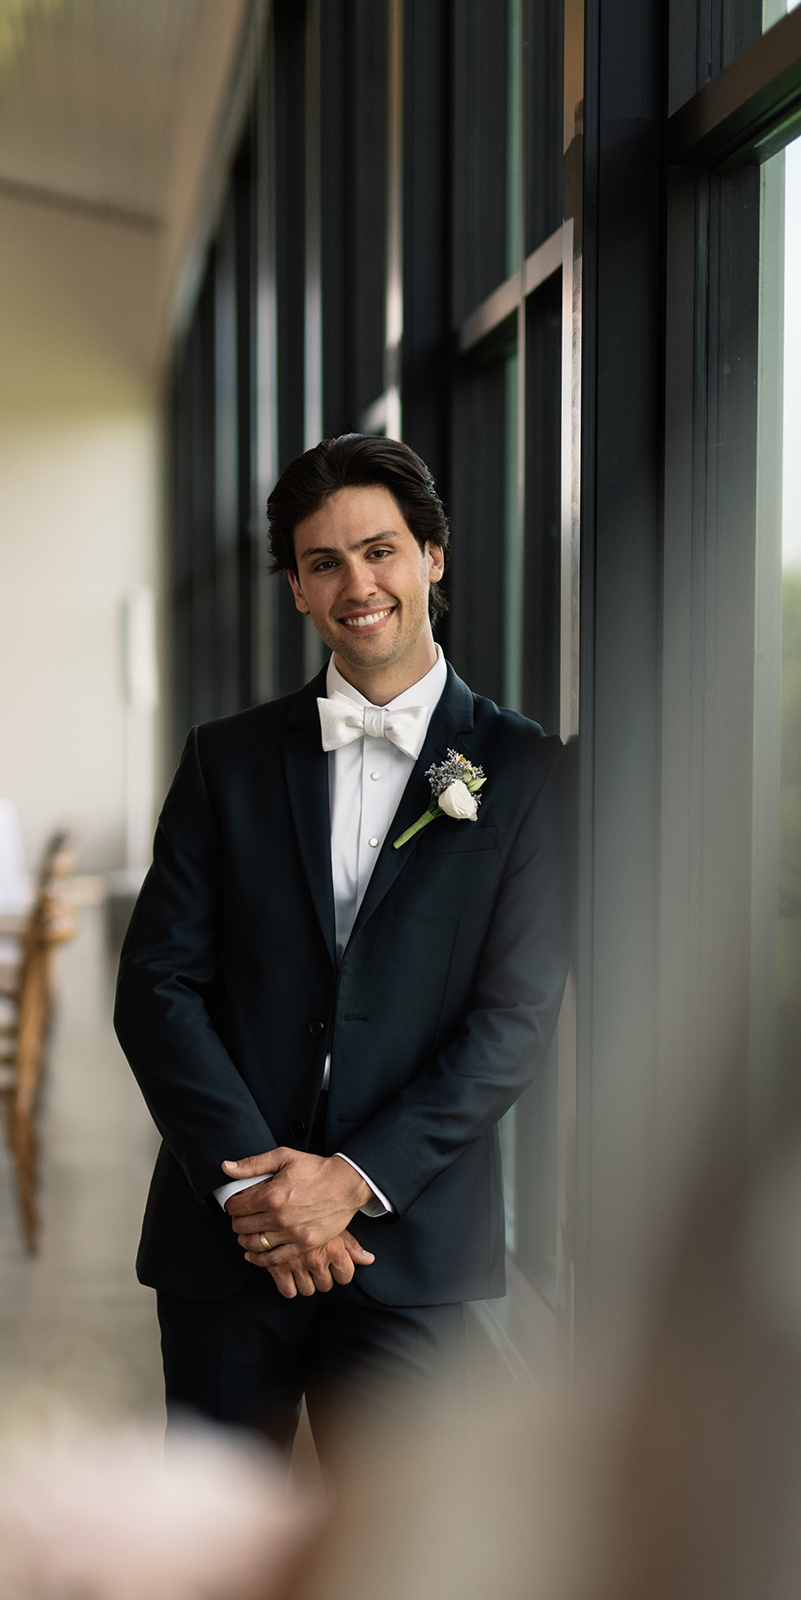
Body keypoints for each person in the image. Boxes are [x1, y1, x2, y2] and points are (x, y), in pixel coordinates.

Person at [114, 434, 567, 1462]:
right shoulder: (222, 761)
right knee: (216, 1570)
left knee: (389, 1589)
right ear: (293, 589)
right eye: (324, 562)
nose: (357, 584)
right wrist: (258, 1196)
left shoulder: (525, 770)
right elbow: (155, 987)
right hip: (228, 1243)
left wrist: (350, 1179)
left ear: (431, 558)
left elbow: (513, 1021)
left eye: (380, 551)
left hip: (408, 1245)